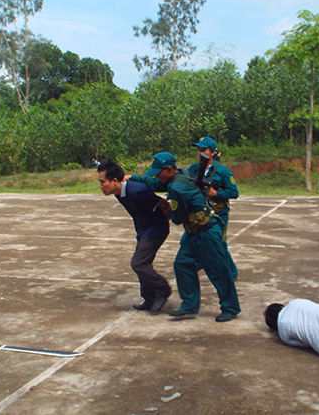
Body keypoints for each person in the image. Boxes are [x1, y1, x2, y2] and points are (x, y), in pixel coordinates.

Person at [145, 152, 241, 323]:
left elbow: (178, 217)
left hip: (207, 232)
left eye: (159, 172)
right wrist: (134, 179)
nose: (157, 176)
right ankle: (189, 304)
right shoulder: (182, 174)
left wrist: (166, 210)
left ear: (169, 169)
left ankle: (230, 308)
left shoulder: (176, 188)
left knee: (218, 271)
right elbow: (156, 183)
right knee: (182, 264)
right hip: (195, 232)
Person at [97, 159, 172, 312]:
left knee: (138, 263)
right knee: (144, 264)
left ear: (115, 180)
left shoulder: (137, 190)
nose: (101, 186)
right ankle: (149, 298)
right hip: (143, 229)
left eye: (103, 182)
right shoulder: (118, 192)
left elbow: (162, 205)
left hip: (156, 229)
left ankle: (163, 290)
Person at [186, 136, 239, 280]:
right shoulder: (193, 169)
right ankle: (198, 263)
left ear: (212, 153)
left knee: (219, 244)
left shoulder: (223, 172)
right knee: (191, 240)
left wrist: (216, 193)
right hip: (198, 213)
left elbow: (234, 193)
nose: (200, 152)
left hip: (218, 213)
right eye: (198, 149)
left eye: (204, 150)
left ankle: (232, 272)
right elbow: (184, 185)